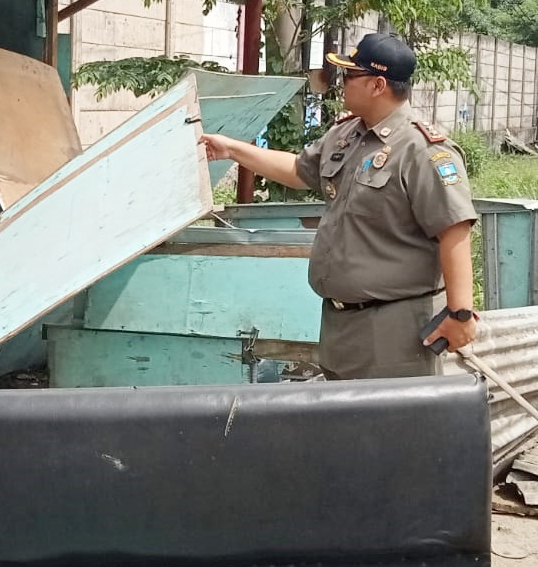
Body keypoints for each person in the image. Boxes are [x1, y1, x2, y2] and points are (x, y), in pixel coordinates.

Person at [200, 32, 479, 379]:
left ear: (378, 85)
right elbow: (298, 171)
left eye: (349, 75)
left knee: (389, 428)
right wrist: (232, 149)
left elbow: (454, 230)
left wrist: (460, 314)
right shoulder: (347, 135)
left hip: (394, 330)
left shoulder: (422, 150)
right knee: (343, 427)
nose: (340, 83)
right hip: (339, 324)